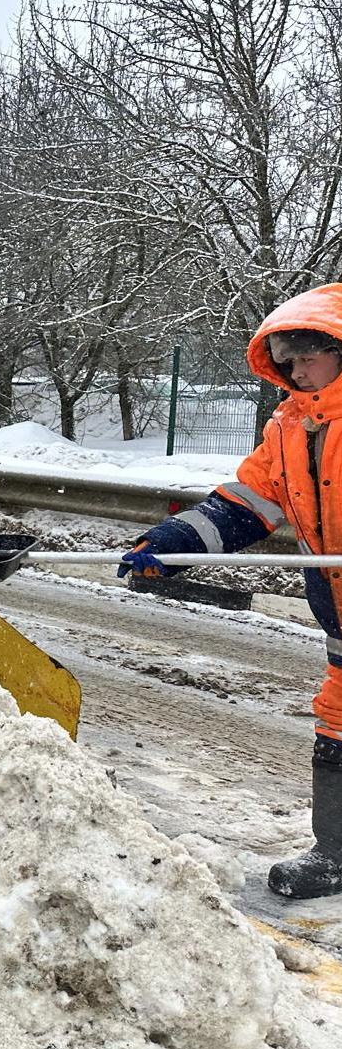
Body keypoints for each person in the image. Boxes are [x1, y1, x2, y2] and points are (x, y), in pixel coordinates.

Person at [119, 291, 342, 898]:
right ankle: (336, 853)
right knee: (340, 723)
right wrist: (173, 544)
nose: (295, 372)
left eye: (305, 356)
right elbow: (249, 504)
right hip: (339, 608)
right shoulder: (290, 428)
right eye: (284, 360)